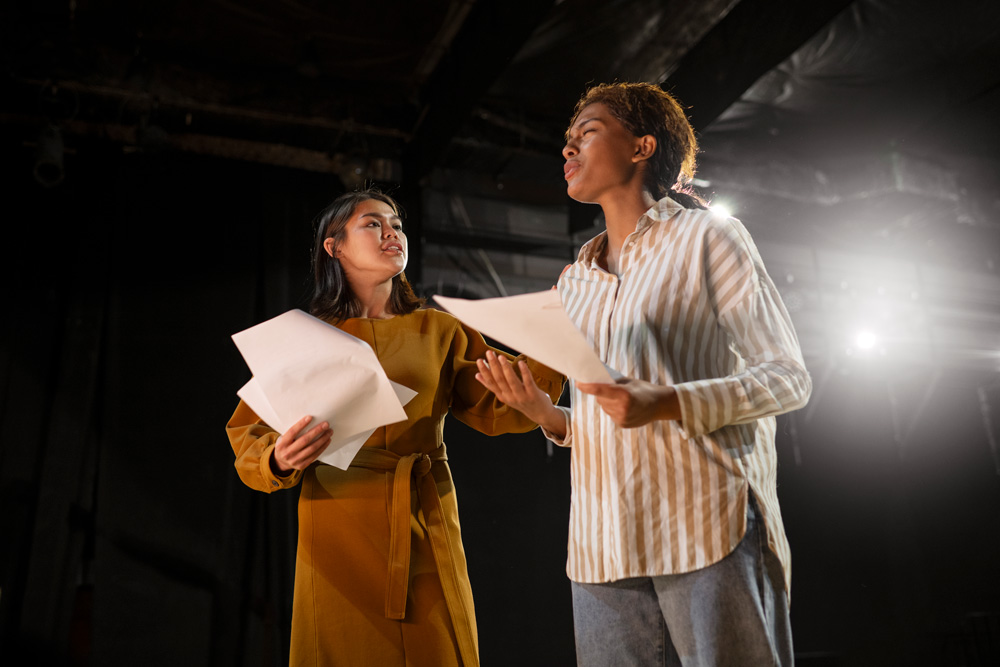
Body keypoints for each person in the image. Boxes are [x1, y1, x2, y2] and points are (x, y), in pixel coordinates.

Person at [475, 82, 812, 666]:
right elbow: (610, 417)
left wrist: (670, 402)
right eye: (567, 139)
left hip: (707, 526)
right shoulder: (572, 282)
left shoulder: (710, 236)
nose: (568, 149)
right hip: (602, 548)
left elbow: (787, 377)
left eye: (588, 132)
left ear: (642, 147)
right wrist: (548, 417)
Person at [226, 188, 564, 667]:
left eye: (398, 225)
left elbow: (503, 403)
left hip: (423, 519)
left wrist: (559, 326)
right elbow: (249, 436)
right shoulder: (303, 334)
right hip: (337, 527)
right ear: (334, 246)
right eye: (373, 224)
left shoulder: (439, 329)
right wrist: (278, 457)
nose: (392, 233)